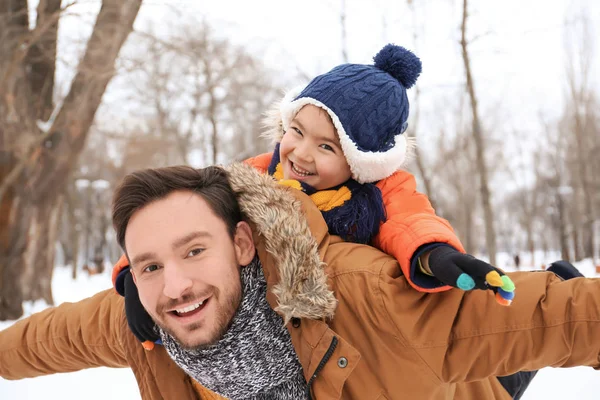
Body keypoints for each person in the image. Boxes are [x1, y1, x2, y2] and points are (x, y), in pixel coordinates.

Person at [2, 163, 600, 400]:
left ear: (241, 245)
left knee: (503, 365)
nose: (175, 286)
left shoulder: (366, 295)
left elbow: (567, 317)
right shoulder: (149, 321)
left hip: (445, 379)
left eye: (194, 251)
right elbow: (38, 342)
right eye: (151, 265)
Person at [113, 44, 515, 349]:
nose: (302, 153)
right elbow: (178, 215)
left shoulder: (380, 191)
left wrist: (433, 254)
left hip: (364, 329)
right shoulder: (254, 174)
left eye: (327, 147)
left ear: (362, 163)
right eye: (298, 132)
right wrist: (135, 271)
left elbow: (412, 221)